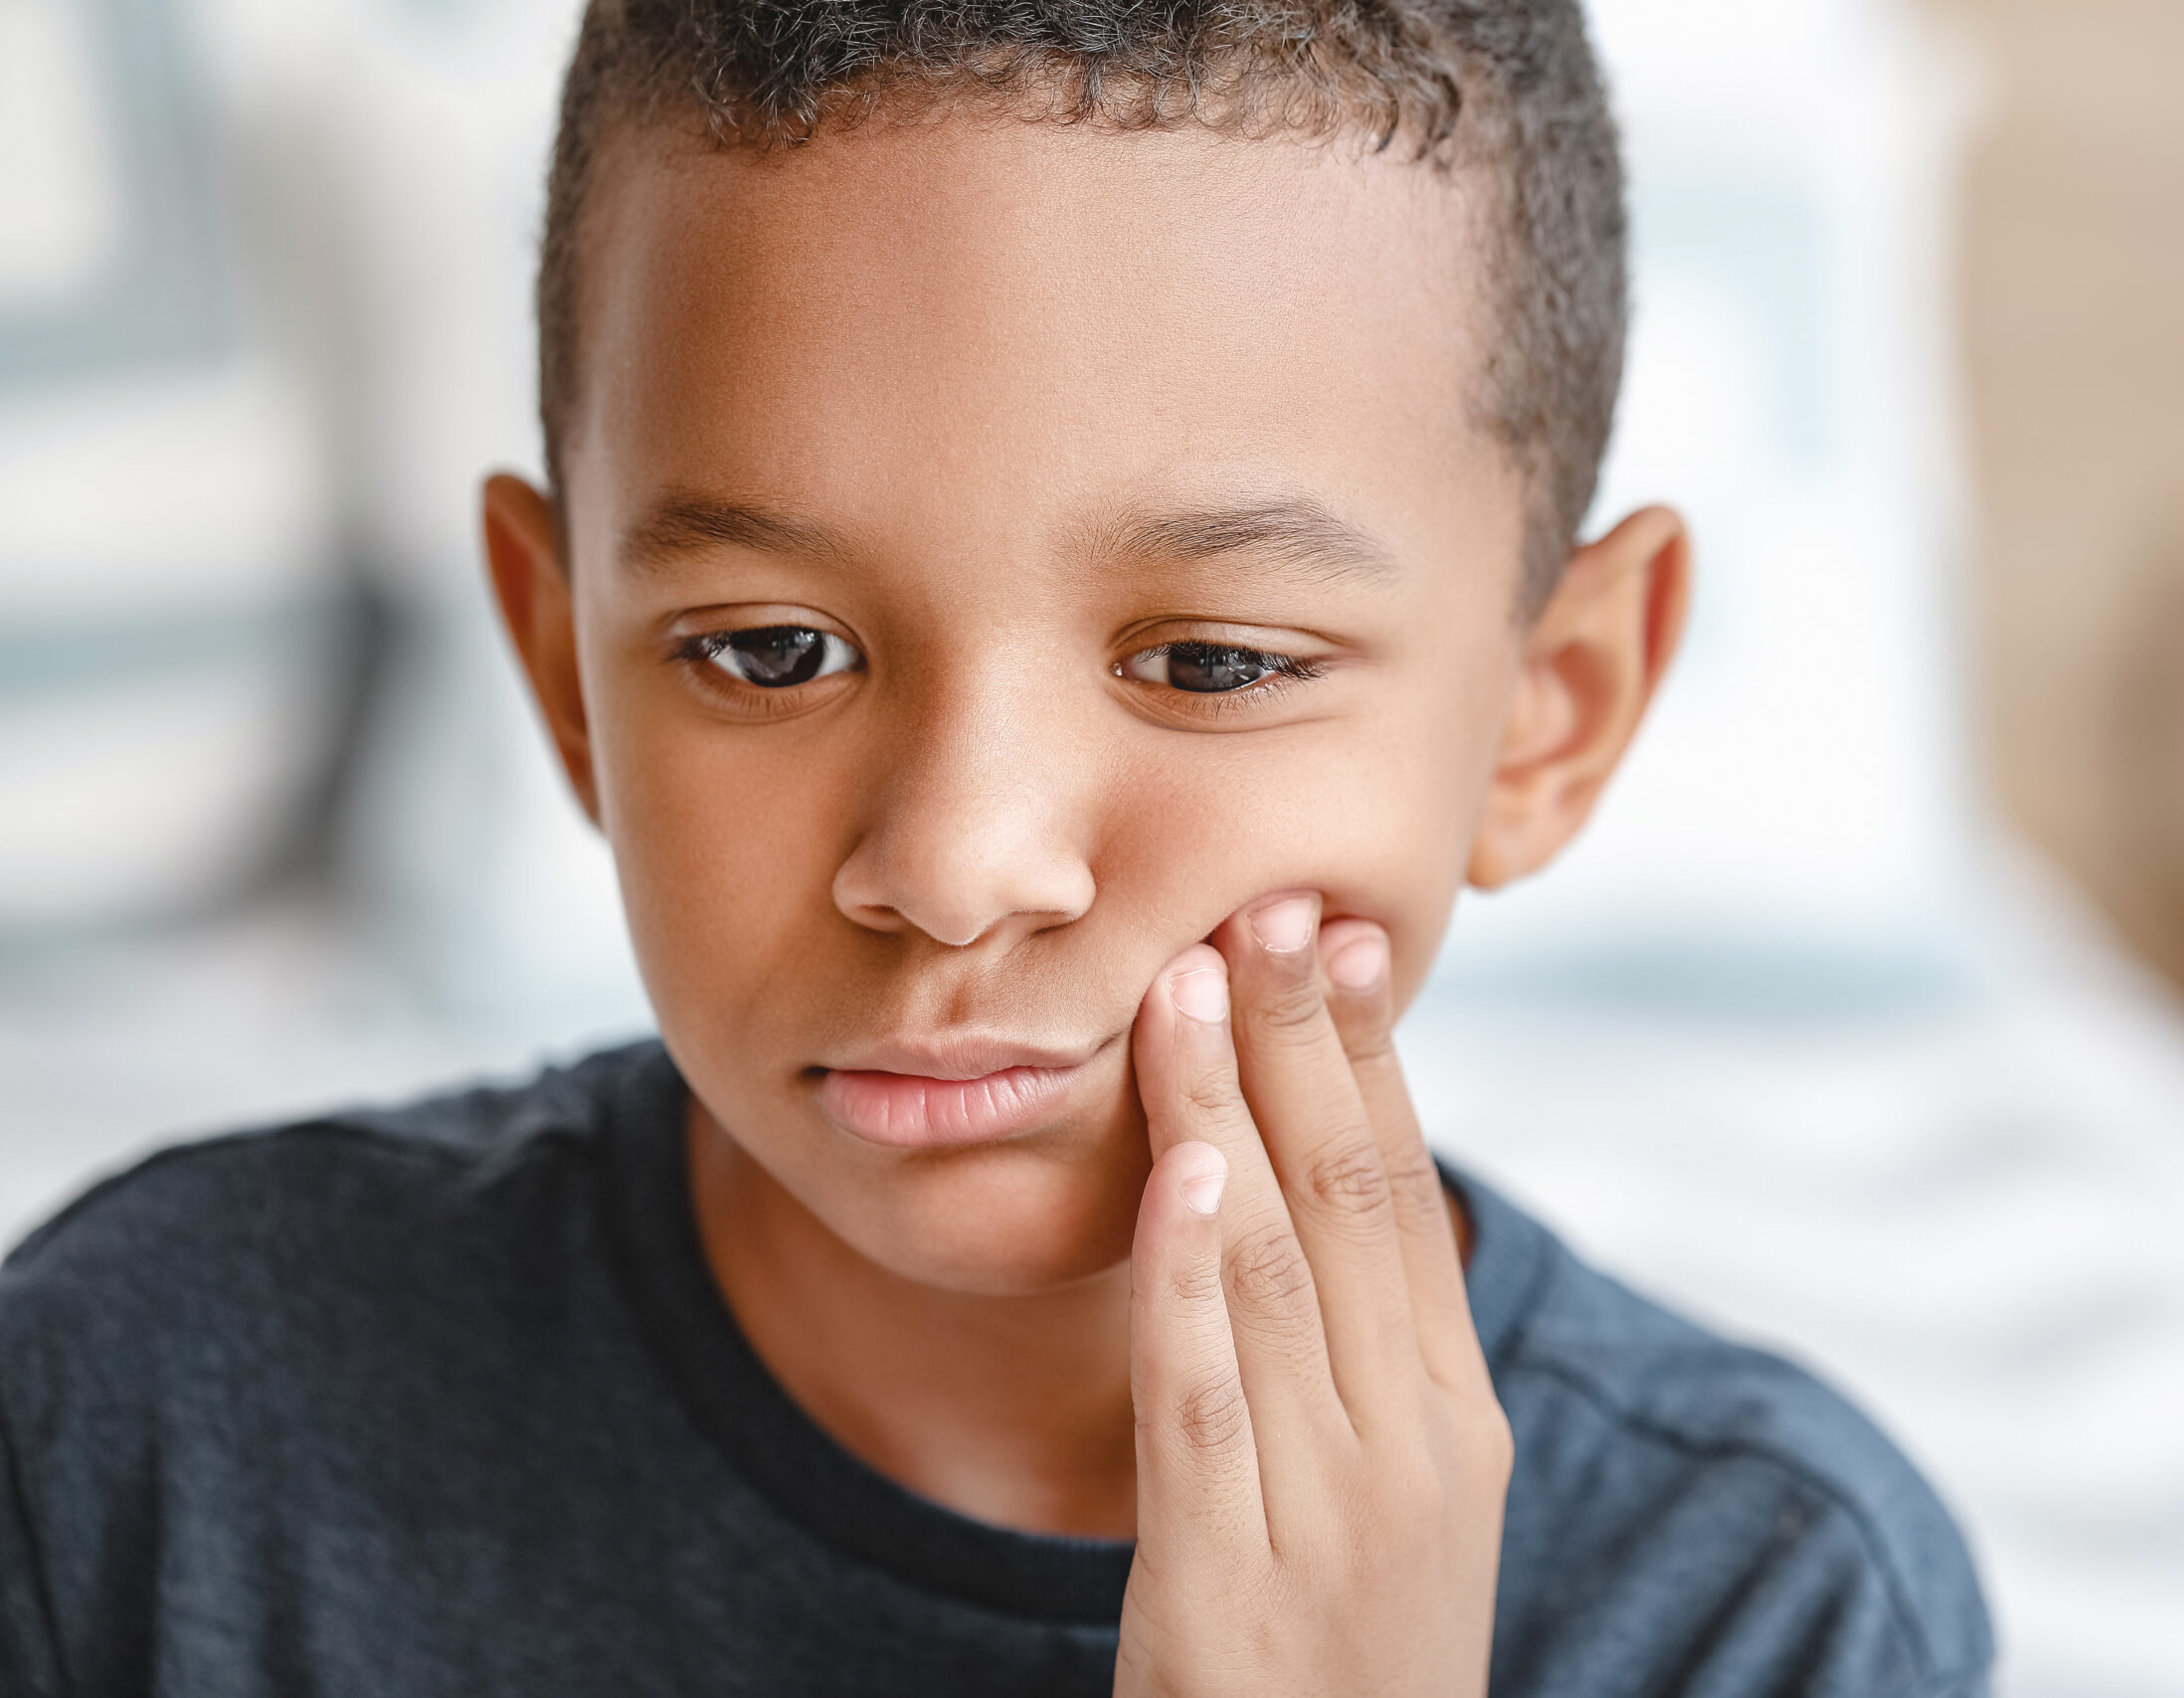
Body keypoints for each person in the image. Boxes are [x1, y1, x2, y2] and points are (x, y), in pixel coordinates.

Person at [0, 2, 1993, 1692]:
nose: (952, 864)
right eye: (771, 651)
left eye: (1209, 660)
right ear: (565, 672)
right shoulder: (144, 1428)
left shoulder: (1766, 1604)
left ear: (1544, 713)